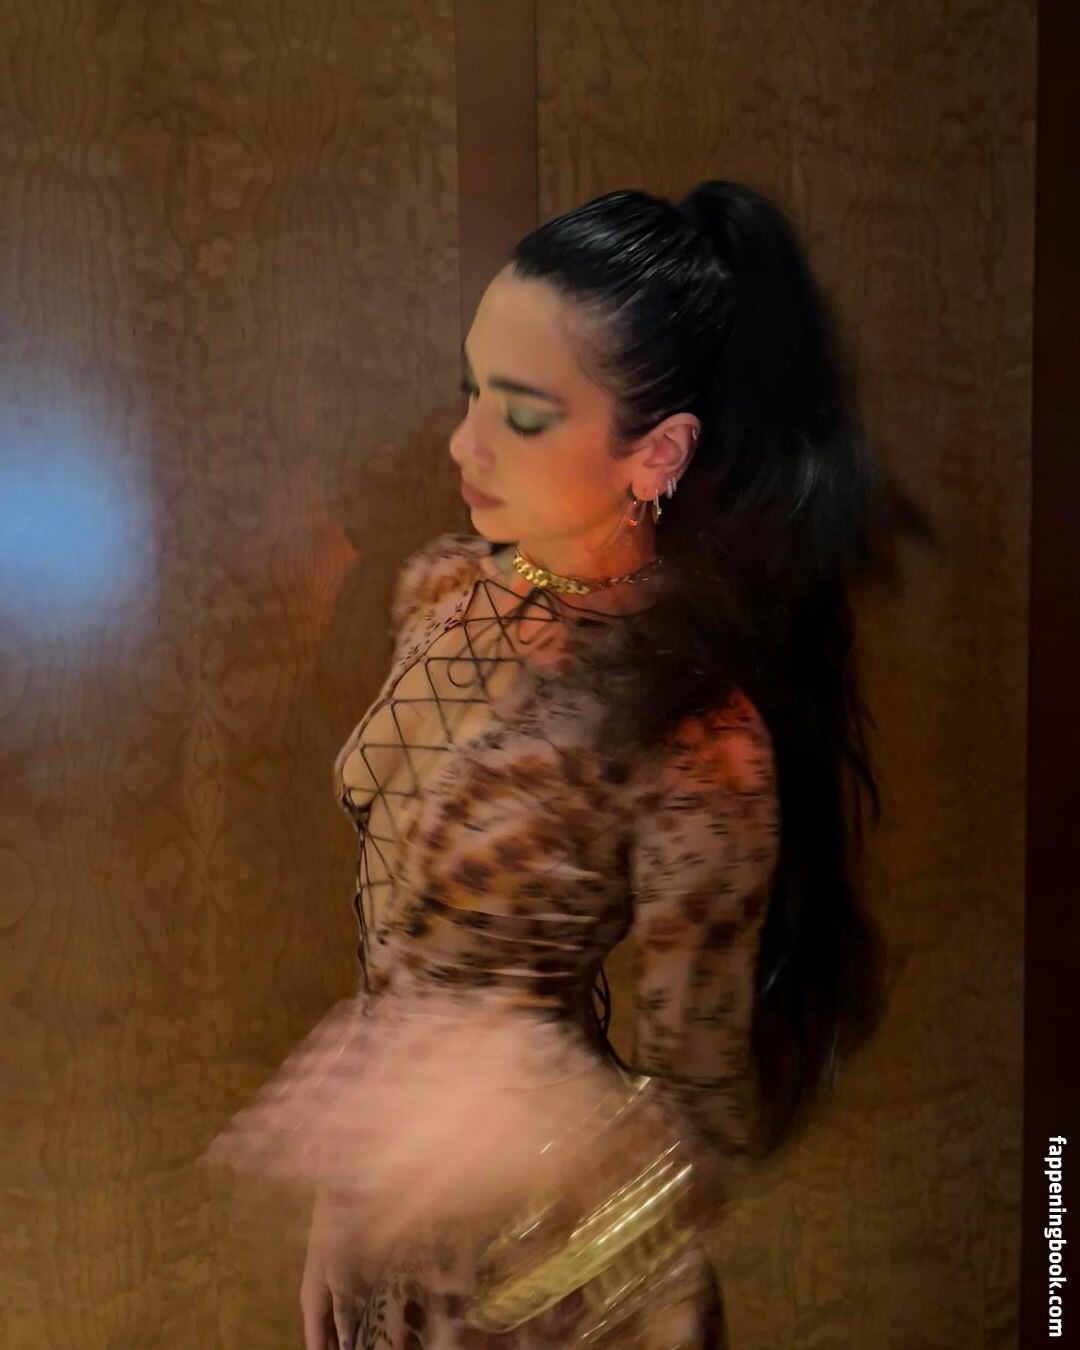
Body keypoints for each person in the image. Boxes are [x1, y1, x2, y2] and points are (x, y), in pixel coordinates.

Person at [204, 180, 930, 1349]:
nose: (463, 444)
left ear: (658, 454)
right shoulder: (443, 590)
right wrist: (345, 1200)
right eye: (471, 392)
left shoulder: (699, 735)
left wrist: (518, 1111)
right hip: (393, 1250)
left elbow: (703, 1138)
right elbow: (400, 954)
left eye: (523, 414)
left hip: (559, 1297)